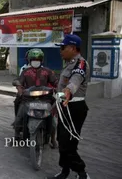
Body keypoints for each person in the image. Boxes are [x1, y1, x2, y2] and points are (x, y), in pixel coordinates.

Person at [46, 34, 90, 179]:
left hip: (75, 108)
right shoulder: (69, 64)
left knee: (68, 143)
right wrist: (55, 101)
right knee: (62, 140)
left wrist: (68, 90)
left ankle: (82, 172)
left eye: (63, 48)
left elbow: (75, 81)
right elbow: (62, 91)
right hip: (64, 106)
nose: (61, 51)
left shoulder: (81, 64)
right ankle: (64, 171)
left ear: (72, 48)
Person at [12, 49, 58, 144]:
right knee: (18, 118)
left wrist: (59, 88)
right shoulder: (25, 72)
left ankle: (53, 139)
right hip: (27, 99)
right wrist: (19, 88)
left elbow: (55, 82)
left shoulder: (47, 71)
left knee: (53, 122)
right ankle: (16, 135)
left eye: (38, 59)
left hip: (45, 99)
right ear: (29, 60)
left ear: (42, 60)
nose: (36, 61)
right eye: (33, 59)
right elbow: (19, 81)